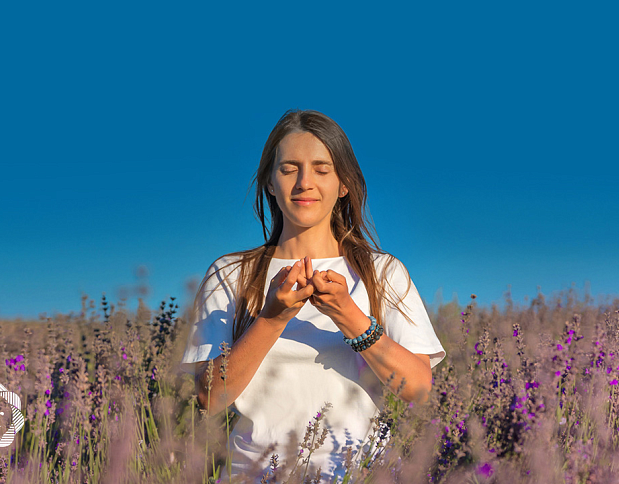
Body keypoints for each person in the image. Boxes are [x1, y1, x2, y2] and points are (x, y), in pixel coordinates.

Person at [180, 109, 445, 482]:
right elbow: (211, 398)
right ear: (270, 182)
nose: (305, 182)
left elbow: (417, 388)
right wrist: (271, 319)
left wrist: (350, 317)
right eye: (289, 168)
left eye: (321, 169)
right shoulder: (230, 273)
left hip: (359, 475)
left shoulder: (382, 272)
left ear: (343, 184)